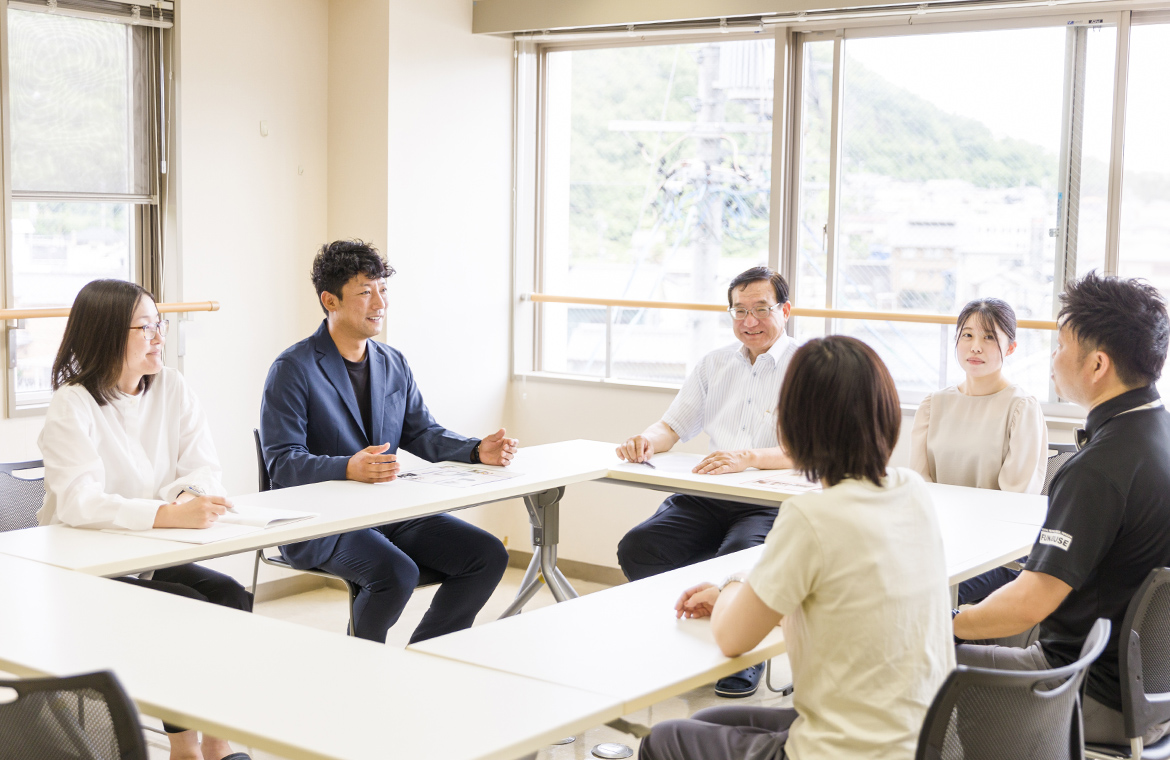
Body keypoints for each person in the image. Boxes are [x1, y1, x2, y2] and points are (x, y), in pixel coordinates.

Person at [641, 336, 955, 760]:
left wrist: (734, 584)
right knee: (704, 724)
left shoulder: (812, 516)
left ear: (795, 426)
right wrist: (744, 598)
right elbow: (842, 599)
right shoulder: (912, 491)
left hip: (843, 753)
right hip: (920, 743)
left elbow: (731, 639)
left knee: (663, 740)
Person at [38, 279, 252, 760]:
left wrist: (188, 498)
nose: (160, 336)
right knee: (180, 607)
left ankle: (218, 740)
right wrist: (169, 513)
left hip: (147, 553)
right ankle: (184, 747)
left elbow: (202, 467)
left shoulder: (172, 387)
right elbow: (79, 502)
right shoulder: (72, 404)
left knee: (229, 596)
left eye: (161, 324)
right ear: (108, 333)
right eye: (147, 326)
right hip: (82, 574)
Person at [953, 272, 1170, 745]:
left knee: (926, 658)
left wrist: (949, 622)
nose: (1052, 359)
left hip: (1085, 688)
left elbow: (1030, 603)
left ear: (1096, 364)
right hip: (1152, 691)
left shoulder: (1098, 468)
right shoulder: (1159, 434)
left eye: (1060, 345)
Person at [260, 239, 512, 645]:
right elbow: (283, 463)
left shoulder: (392, 362)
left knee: (486, 556)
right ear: (330, 300)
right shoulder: (293, 369)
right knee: (395, 574)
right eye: (365, 292)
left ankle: (426, 655)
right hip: (319, 522)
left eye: (383, 290)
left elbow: (421, 432)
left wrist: (474, 449)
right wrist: (346, 467)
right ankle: (357, 668)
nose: (380, 303)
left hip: (387, 510)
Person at [615, 266, 798, 698]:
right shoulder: (714, 363)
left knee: (738, 559)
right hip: (708, 495)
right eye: (739, 311)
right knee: (640, 546)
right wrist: (646, 441)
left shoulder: (807, 366)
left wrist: (747, 457)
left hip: (768, 501)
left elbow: (810, 452)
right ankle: (689, 633)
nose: (749, 321)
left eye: (761, 309)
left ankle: (743, 655)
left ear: (785, 310)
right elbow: (673, 425)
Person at [911, 298, 1047, 604]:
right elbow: (922, 487)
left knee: (920, 600)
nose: (975, 347)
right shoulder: (934, 404)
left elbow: (1015, 502)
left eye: (989, 337)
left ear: (1011, 348)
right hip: (939, 546)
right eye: (967, 335)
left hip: (995, 557)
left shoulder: (1021, 407)